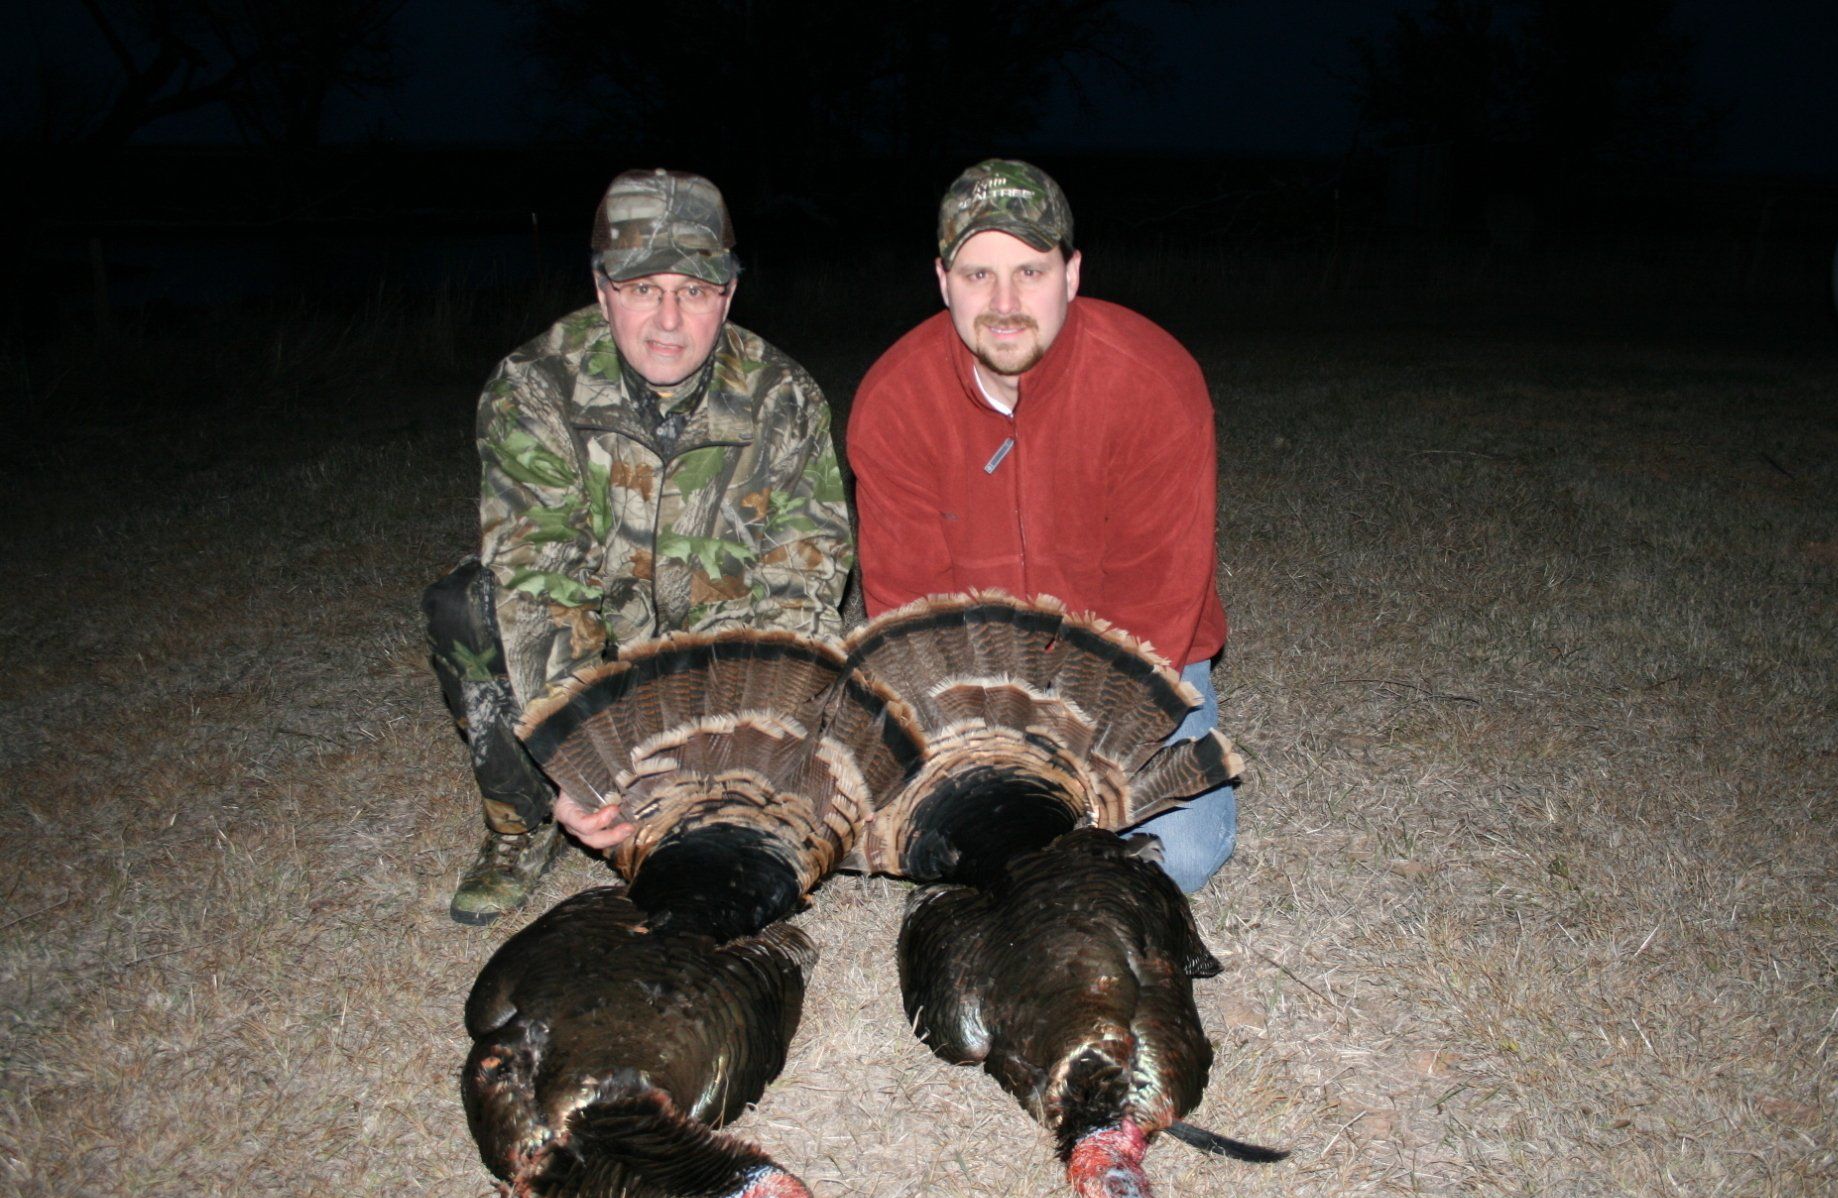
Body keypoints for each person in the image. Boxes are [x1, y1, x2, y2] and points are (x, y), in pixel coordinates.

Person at [423, 169, 851, 924]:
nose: (669, 319)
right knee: (465, 605)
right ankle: (522, 825)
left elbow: (801, 589)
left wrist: (748, 760)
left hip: (713, 667)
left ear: (728, 294)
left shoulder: (784, 398)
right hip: (595, 649)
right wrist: (580, 768)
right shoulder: (534, 387)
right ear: (601, 289)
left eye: (694, 290)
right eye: (642, 287)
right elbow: (541, 582)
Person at [844, 158, 1234, 891]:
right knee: (922, 843)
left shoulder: (1152, 381)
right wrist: (984, 756)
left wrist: (1073, 763)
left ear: (1072, 273)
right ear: (942, 281)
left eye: (1030, 272)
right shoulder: (896, 399)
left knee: (1176, 854)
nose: (1005, 303)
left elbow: (1155, 606)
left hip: (1134, 672)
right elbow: (910, 615)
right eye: (978, 274)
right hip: (977, 686)